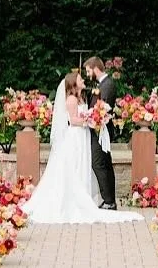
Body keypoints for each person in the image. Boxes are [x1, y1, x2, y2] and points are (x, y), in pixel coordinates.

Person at [24, 70, 135, 227]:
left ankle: (83, 195)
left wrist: (94, 117)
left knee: (83, 163)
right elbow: (73, 120)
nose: (83, 80)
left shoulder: (81, 97)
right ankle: (72, 200)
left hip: (83, 135)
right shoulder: (70, 99)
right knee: (74, 165)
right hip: (75, 136)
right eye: (80, 79)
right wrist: (89, 120)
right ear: (74, 83)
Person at [84, 55, 118, 209]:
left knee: (98, 164)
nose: (87, 73)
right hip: (98, 129)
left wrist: (89, 118)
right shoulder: (101, 84)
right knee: (104, 163)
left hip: (101, 130)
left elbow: (102, 109)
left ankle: (109, 200)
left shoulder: (107, 84)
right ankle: (109, 200)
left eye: (88, 70)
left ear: (95, 68)